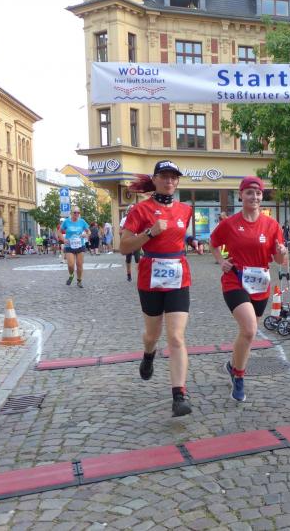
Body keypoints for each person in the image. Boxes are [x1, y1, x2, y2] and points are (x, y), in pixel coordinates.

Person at [118, 160, 194, 417]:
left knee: (176, 337)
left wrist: (192, 241)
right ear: (154, 180)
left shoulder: (185, 209)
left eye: (174, 177)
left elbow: (178, 236)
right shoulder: (140, 210)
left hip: (178, 278)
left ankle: (179, 395)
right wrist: (149, 233)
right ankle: (148, 355)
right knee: (153, 334)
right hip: (150, 278)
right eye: (164, 176)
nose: (169, 181)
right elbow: (124, 247)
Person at [210, 176, 287, 402]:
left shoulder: (272, 225)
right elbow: (213, 243)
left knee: (247, 333)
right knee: (250, 329)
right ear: (241, 195)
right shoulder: (230, 224)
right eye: (249, 192)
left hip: (260, 284)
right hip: (235, 280)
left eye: (258, 193)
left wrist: (282, 252)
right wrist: (220, 261)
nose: (254, 197)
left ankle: (232, 365)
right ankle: (239, 377)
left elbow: (279, 260)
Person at [59, 207, 91, 288]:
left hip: (80, 245)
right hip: (69, 245)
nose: (76, 214)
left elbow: (89, 231)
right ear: (71, 213)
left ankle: (79, 281)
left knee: (79, 264)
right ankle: (71, 275)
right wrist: (63, 239)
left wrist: (86, 234)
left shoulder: (82, 221)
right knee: (71, 265)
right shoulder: (66, 222)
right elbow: (59, 232)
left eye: (78, 212)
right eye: (75, 212)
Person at [120, 205, 141, 282]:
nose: (132, 212)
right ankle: (129, 274)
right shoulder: (124, 219)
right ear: (128, 211)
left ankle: (139, 276)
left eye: (134, 210)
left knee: (137, 259)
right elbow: (120, 231)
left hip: (136, 240)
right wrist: (127, 232)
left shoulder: (139, 219)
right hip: (128, 241)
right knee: (128, 259)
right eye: (130, 210)